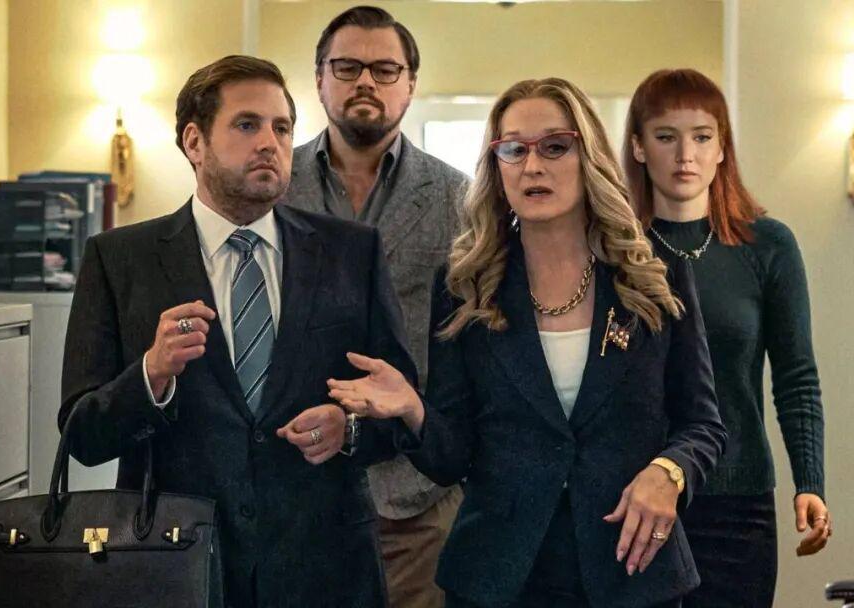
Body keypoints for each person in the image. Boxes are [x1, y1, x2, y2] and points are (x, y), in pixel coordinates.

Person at [325, 77, 727, 608]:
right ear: (497, 167)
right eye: (513, 149)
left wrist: (669, 472)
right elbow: (453, 458)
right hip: (499, 575)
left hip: (631, 569)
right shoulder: (465, 287)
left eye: (555, 147)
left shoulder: (655, 275)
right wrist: (412, 410)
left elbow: (703, 424)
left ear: (589, 157)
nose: (532, 165)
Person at [59, 55, 417, 608]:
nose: (270, 143)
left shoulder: (352, 252)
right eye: (247, 125)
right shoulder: (119, 259)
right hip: (176, 568)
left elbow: (399, 408)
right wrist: (151, 374)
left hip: (325, 569)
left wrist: (347, 428)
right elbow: (82, 436)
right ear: (195, 142)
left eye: (282, 128)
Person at [279, 6, 469, 607]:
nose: (366, 81)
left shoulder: (459, 197)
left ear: (410, 84)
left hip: (415, 497)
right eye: (348, 67)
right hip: (292, 488)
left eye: (385, 70)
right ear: (319, 79)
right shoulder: (274, 187)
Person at [623, 68, 830, 608]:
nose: (685, 155)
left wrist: (809, 481)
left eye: (701, 137)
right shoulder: (615, 250)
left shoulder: (767, 245)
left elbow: (796, 376)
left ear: (721, 149)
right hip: (636, 496)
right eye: (666, 136)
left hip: (739, 503)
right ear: (639, 147)